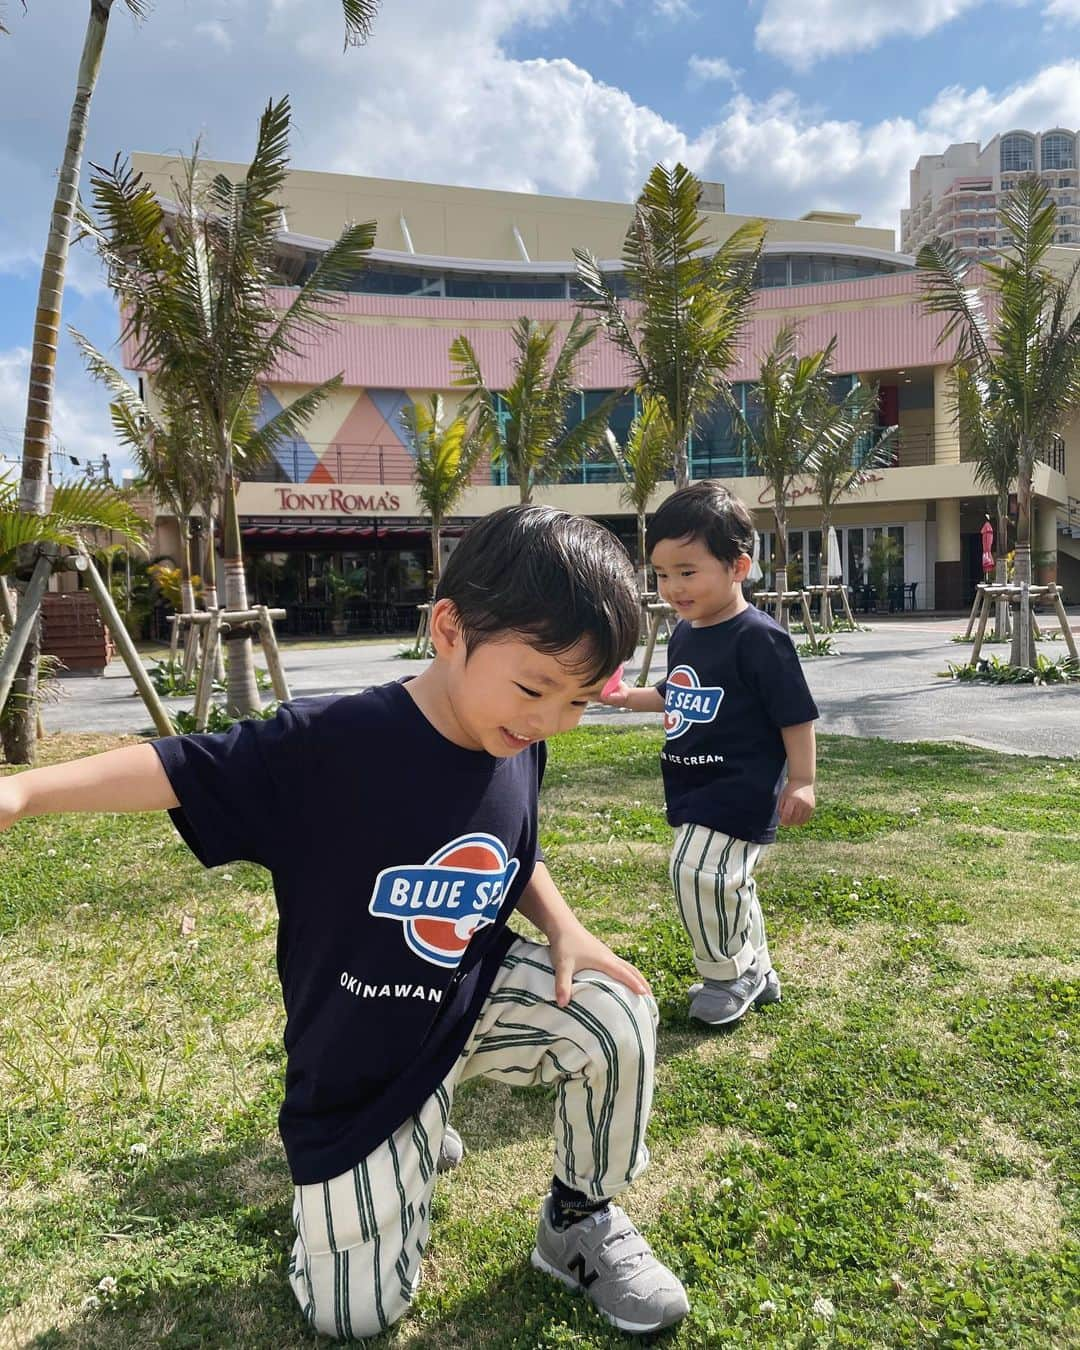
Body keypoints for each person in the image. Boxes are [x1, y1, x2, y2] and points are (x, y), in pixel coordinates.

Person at [0, 506, 689, 1341]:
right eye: (535, 688)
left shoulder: (515, 736)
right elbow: (182, 766)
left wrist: (564, 925)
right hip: (358, 1065)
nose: (548, 719)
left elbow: (503, 848)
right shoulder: (336, 742)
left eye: (578, 701)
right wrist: (25, 793)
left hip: (468, 1005)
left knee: (618, 1012)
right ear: (448, 628)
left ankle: (578, 1221)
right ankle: (394, 1147)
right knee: (354, 1317)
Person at [601, 482, 818, 1027]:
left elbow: (796, 714)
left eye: (687, 571)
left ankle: (727, 974)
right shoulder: (687, 635)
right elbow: (679, 694)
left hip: (741, 785)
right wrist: (632, 698)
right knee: (725, 879)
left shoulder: (759, 638)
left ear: (738, 567)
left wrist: (803, 780)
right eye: (662, 574)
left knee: (696, 872)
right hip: (690, 784)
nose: (673, 586)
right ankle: (759, 970)